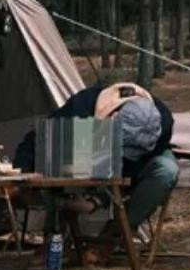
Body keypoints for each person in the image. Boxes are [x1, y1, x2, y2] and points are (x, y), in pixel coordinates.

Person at [14, 81, 177, 247]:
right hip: (90, 156)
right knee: (55, 157)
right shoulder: (81, 109)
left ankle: (117, 232)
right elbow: (35, 143)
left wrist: (100, 199)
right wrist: (22, 177)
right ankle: (54, 237)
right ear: (112, 118)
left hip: (138, 166)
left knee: (166, 171)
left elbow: (135, 165)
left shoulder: (163, 121)